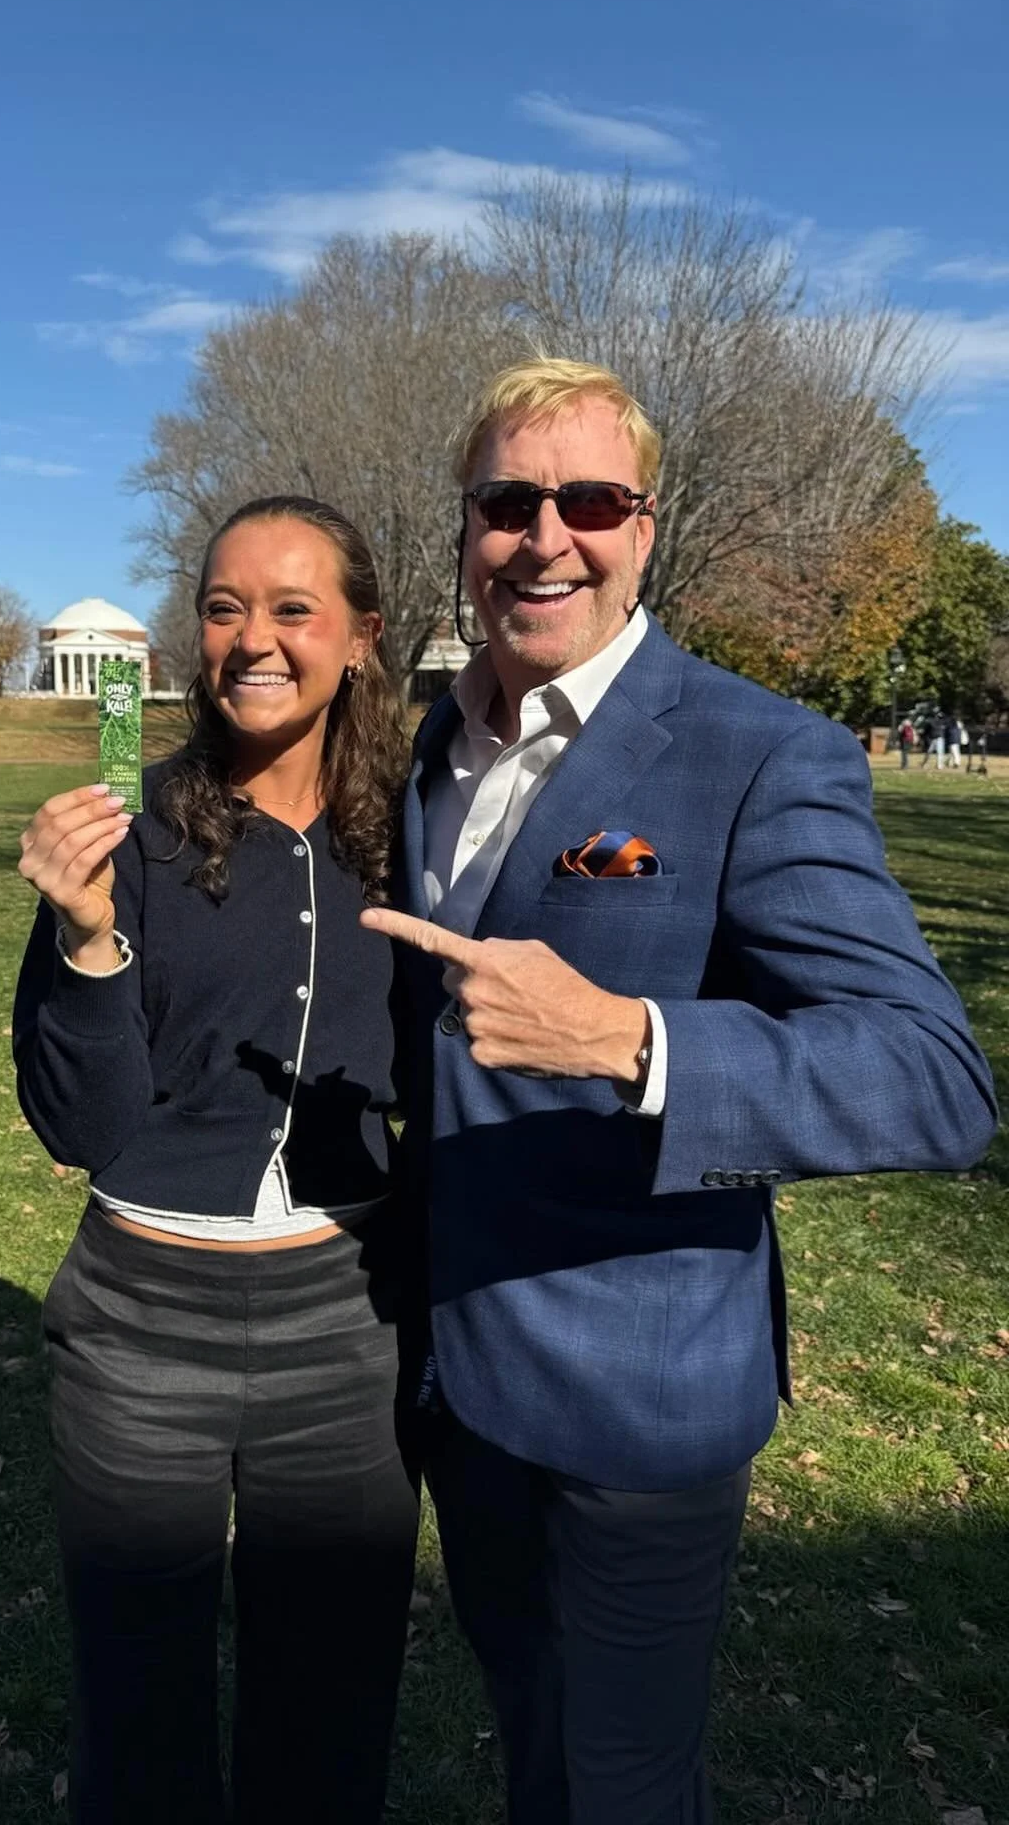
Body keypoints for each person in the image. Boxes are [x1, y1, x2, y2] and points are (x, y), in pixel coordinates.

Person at [362, 358, 998, 1825]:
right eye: (508, 503)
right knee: (529, 1734)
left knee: (630, 1783)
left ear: (647, 528)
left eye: (591, 500)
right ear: (465, 529)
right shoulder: (432, 749)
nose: (546, 537)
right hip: (459, 1380)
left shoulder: (759, 751)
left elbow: (935, 1075)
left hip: (644, 1399)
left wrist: (636, 1043)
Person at [13, 495, 420, 1825]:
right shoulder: (127, 830)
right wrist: (83, 941)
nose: (255, 638)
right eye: (227, 606)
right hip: (141, 1331)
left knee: (330, 1715)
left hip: (347, 1332)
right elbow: (81, 1125)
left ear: (360, 636)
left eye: (294, 608)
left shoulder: (414, 839)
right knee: (143, 1728)